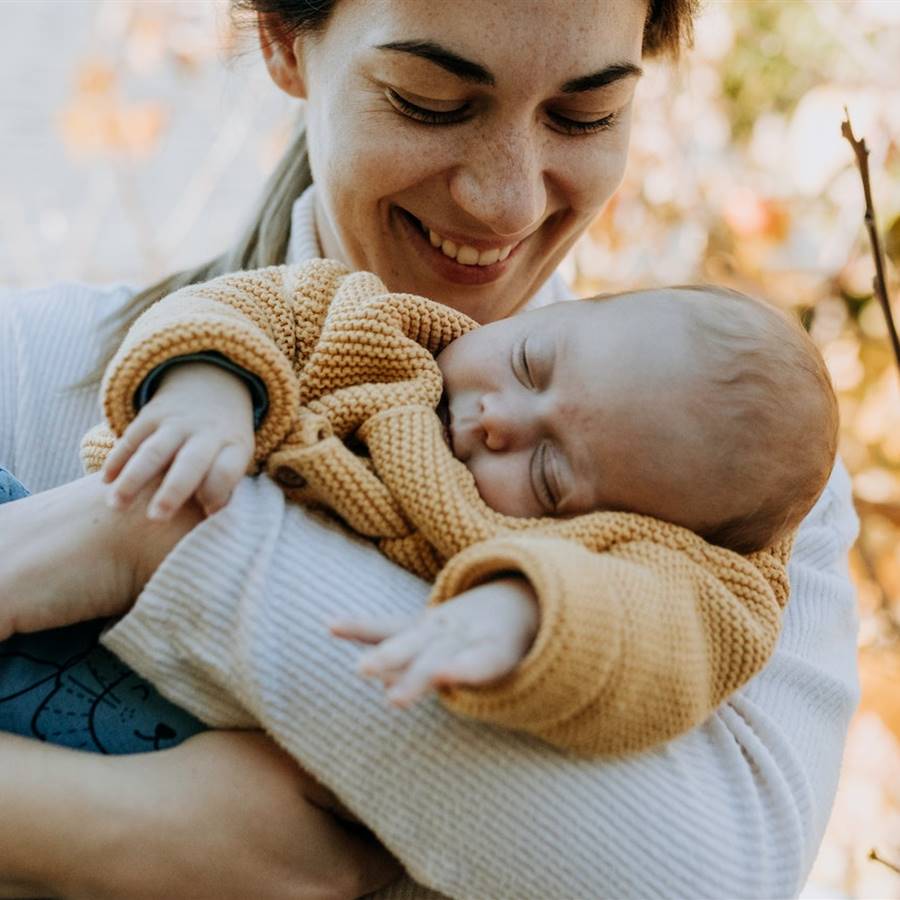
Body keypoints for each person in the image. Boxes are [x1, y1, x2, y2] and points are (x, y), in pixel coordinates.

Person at [0, 1, 859, 897]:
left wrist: (171, 546)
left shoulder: (729, 481)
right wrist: (108, 828)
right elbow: (248, 322)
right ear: (282, 41)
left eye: (585, 116)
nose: (507, 200)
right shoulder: (30, 373)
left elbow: (712, 882)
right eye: (429, 100)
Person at [61, 259, 835, 757]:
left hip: (169, 728)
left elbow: (665, 629)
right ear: (557, 311)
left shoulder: (669, 567)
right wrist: (213, 388)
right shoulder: (379, 329)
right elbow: (250, 306)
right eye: (532, 363)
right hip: (92, 603)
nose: (503, 419)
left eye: (549, 474)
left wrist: (528, 614)